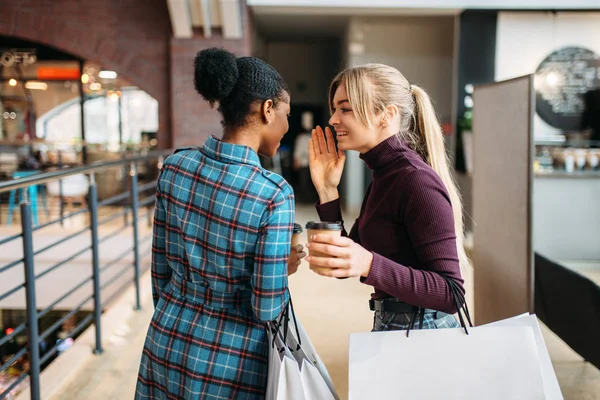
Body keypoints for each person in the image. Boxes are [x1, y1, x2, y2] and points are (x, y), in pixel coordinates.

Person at [136, 48, 305, 399]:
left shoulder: (176, 167)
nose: (287, 127)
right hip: (232, 361)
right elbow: (266, 307)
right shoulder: (272, 193)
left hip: (166, 339)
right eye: (286, 114)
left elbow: (160, 274)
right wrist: (282, 267)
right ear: (267, 109)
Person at [305, 63, 472, 331]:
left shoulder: (415, 180)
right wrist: (327, 191)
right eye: (335, 109)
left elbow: (451, 294)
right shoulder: (384, 176)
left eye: (345, 108)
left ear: (387, 114)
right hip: (396, 324)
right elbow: (348, 260)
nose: (333, 119)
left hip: (423, 333)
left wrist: (369, 264)